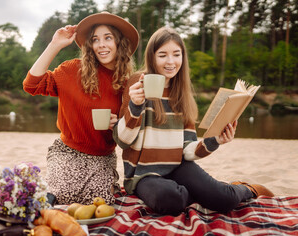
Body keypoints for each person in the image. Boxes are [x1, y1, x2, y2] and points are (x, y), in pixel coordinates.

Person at [113, 27, 274, 216]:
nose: (171, 61)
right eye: (163, 55)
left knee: (225, 199)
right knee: (170, 200)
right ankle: (198, 193)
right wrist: (136, 105)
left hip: (178, 167)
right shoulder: (136, 84)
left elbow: (188, 150)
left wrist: (216, 141)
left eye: (176, 54)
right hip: (143, 175)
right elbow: (122, 140)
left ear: (183, 57)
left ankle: (247, 189)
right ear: (152, 57)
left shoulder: (182, 95)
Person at [23, 12, 139, 205]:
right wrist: (55, 45)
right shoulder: (72, 70)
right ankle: (50, 191)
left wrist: (118, 126)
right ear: (90, 46)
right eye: (95, 39)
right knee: (63, 196)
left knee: (100, 202)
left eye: (108, 38)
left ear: (120, 43)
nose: (101, 44)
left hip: (102, 157)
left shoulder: (127, 85)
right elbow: (31, 84)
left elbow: (130, 130)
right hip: (67, 151)